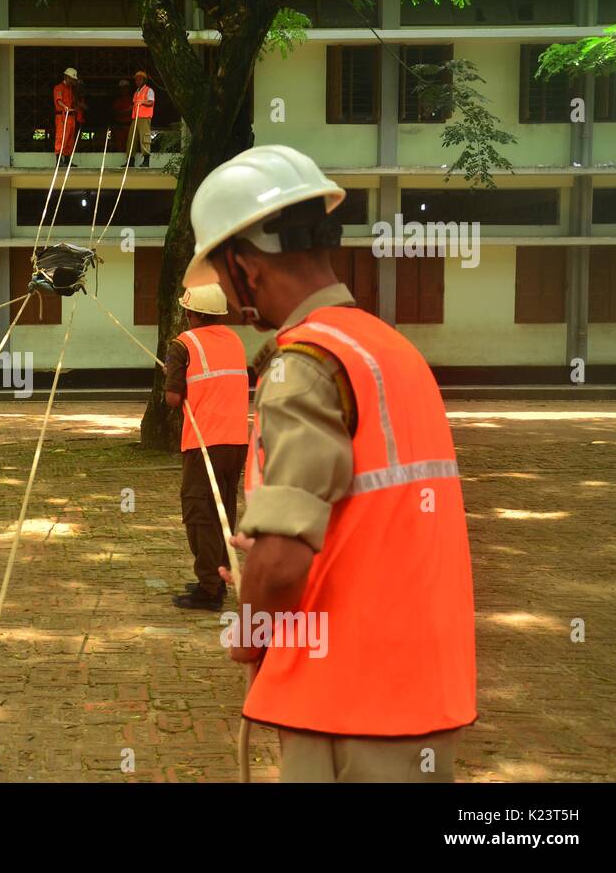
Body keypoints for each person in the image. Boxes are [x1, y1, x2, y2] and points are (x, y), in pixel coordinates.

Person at [189, 144, 476, 782]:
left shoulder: (304, 365)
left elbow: (283, 561)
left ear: (244, 265)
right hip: (420, 691)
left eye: (220, 270)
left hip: (349, 703)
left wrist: (248, 628)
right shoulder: (389, 349)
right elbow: (376, 514)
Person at [163, 278, 249, 611]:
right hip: (235, 442)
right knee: (223, 511)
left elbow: (173, 398)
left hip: (204, 441)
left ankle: (210, 589)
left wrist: (172, 375)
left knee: (199, 513)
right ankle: (218, 577)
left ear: (192, 313)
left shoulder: (182, 345)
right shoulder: (235, 341)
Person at [53, 67, 85, 157]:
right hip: (62, 116)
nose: (73, 81)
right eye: (72, 79)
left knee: (70, 138)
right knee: (61, 137)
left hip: (71, 116)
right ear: (67, 77)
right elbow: (58, 100)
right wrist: (65, 107)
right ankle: (59, 160)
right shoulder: (58, 87)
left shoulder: (71, 89)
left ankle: (67, 160)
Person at [129, 70, 156, 167]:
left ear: (144, 80)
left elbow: (151, 102)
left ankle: (146, 161)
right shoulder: (136, 92)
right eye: (136, 80)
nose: (137, 81)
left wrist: (142, 102)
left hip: (144, 118)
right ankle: (130, 161)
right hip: (135, 118)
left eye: (139, 79)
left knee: (144, 138)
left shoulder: (149, 90)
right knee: (132, 138)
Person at [111, 79, 133, 153]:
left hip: (130, 126)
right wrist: (126, 111)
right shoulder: (117, 101)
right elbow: (115, 113)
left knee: (130, 144)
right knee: (120, 145)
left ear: (128, 88)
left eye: (125, 87)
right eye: (122, 88)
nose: (123, 90)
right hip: (120, 127)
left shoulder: (133, 100)